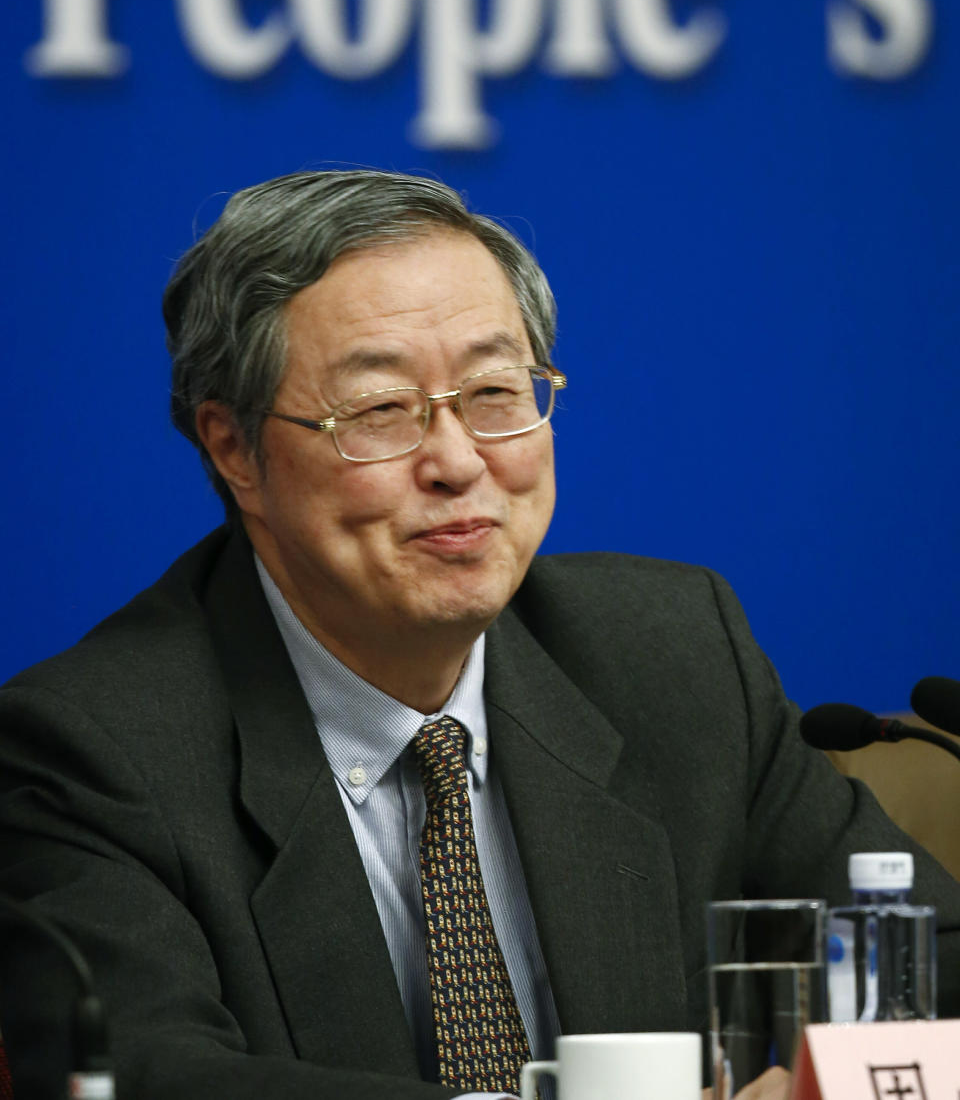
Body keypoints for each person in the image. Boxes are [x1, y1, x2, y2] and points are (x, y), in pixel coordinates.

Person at [0, 169, 957, 1100]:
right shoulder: (96, 748)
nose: (457, 461)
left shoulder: (677, 657)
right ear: (233, 448)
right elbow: (144, 1075)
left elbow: (938, 978)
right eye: (379, 412)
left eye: (496, 394)